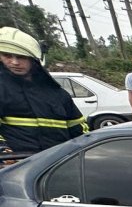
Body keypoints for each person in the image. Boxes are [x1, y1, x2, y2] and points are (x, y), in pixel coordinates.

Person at [0, 26, 86, 157]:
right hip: (17, 168)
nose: (15, 62)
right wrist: (4, 151)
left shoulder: (57, 94)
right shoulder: (3, 89)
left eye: (21, 57)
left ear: (34, 60)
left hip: (57, 164)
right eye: (7, 56)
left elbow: (79, 129)